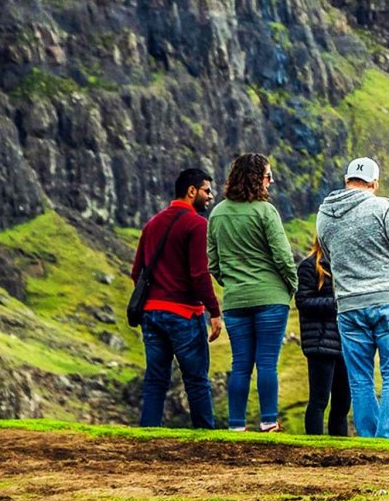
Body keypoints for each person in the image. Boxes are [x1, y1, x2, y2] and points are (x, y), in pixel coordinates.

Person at [316, 156, 389, 440]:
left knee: (360, 379)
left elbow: (329, 258)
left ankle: (369, 441)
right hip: (387, 301)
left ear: (346, 180)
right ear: (374, 183)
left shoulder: (324, 214)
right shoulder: (382, 207)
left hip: (348, 305)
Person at [207, 152, 296, 432]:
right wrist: (290, 285)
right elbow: (282, 256)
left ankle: (236, 425)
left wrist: (232, 283)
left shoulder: (217, 213)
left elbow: (214, 263)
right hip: (271, 298)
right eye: (268, 176)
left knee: (241, 364)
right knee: (267, 362)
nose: (271, 182)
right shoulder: (265, 211)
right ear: (258, 178)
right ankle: (269, 421)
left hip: (236, 300)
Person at [132, 168, 222, 428]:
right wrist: (214, 311)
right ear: (191, 191)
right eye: (206, 190)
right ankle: (205, 436)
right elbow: (199, 274)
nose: (210, 196)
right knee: (196, 380)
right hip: (183, 313)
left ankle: (148, 434)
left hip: (151, 313)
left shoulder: (152, 224)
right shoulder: (196, 224)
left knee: (155, 379)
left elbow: (137, 272)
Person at [296, 238, 349, 436]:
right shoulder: (309, 266)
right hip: (320, 341)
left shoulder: (346, 265)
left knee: (342, 402)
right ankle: (314, 445)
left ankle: (340, 448)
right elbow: (303, 301)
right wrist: (337, 303)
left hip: (344, 342)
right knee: (319, 400)